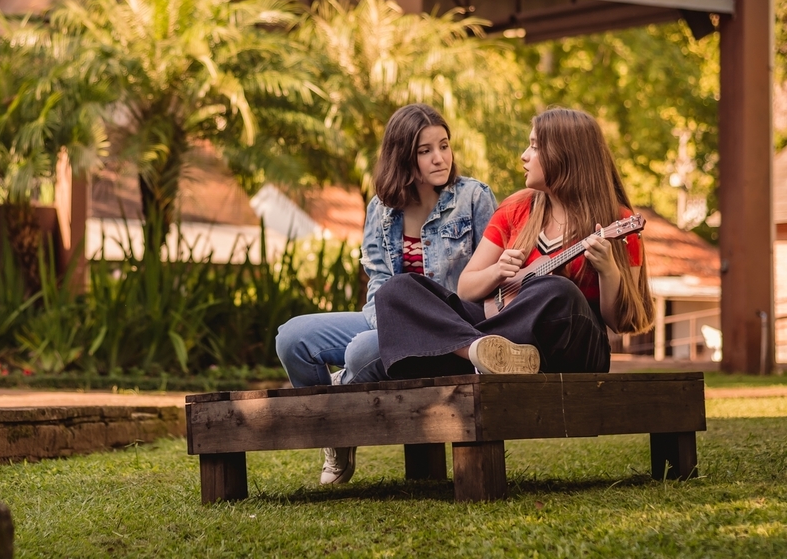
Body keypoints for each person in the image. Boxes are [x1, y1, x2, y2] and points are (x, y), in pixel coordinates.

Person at [274, 103, 496, 485]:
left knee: (360, 351)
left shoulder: (473, 198)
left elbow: (489, 278)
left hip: (444, 329)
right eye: (425, 151)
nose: (440, 158)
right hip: (384, 317)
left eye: (444, 145)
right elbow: (378, 279)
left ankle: (340, 405)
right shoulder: (381, 209)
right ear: (402, 157)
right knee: (292, 338)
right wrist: (388, 325)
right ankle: (336, 435)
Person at [373, 107, 654, 382]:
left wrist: (608, 270)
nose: (524, 156)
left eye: (534, 147)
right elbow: (466, 287)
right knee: (396, 290)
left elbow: (620, 322)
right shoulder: (517, 207)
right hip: (505, 335)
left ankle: (468, 351)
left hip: (572, 346)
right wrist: (497, 272)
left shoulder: (617, 221)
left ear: (565, 156)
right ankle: (479, 352)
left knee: (558, 291)